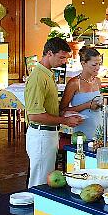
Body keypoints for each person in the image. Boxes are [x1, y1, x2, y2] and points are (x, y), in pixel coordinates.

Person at [25, 38, 81, 188]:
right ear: (49, 53)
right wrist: (64, 120)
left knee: (45, 179)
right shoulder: (38, 77)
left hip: (48, 134)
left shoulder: (47, 73)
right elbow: (34, 115)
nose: (64, 62)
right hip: (41, 135)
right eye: (61, 57)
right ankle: (35, 210)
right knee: (40, 183)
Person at [59, 47, 103, 140]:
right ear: (83, 64)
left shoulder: (98, 81)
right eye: (94, 64)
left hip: (99, 128)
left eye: (99, 64)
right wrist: (87, 105)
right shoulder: (74, 83)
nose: (98, 68)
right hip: (81, 132)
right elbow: (62, 110)